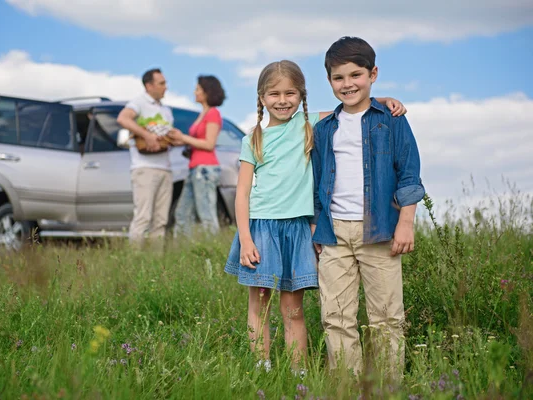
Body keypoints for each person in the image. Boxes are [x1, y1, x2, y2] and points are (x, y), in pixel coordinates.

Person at [224, 60, 407, 374]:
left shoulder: (308, 125)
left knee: (293, 309)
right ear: (261, 98)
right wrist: (245, 239)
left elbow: (353, 104)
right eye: (274, 94)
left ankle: (299, 371)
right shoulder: (252, 139)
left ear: (301, 95)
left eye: (290, 93)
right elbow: (241, 194)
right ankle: (261, 367)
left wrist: (384, 100)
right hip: (261, 229)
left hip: (297, 229)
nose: (282, 100)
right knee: (260, 304)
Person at [311, 37, 425, 378]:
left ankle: (387, 386)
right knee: (336, 317)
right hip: (334, 234)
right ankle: (348, 386)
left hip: (379, 229)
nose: (347, 84)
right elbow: (317, 181)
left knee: (387, 317)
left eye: (355, 75)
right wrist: (317, 224)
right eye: (338, 78)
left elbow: (408, 174)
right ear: (329, 81)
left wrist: (406, 223)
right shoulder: (323, 128)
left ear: (373, 73)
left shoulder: (391, 120)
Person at [116, 68, 174, 244]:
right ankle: (135, 261)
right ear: (149, 86)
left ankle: (155, 263)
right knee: (143, 217)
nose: (166, 87)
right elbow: (123, 119)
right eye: (161, 83)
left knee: (161, 220)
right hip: (144, 168)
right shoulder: (138, 103)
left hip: (165, 168)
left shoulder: (166, 110)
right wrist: (147, 135)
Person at [167, 75, 226, 237]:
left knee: (206, 215)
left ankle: (213, 254)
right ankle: (183, 252)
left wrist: (183, 137)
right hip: (194, 169)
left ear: (207, 92)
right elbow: (196, 141)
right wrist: (177, 140)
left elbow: (209, 144)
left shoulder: (213, 113)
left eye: (198, 89)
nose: (195, 92)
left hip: (205, 170)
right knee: (182, 214)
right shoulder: (202, 114)